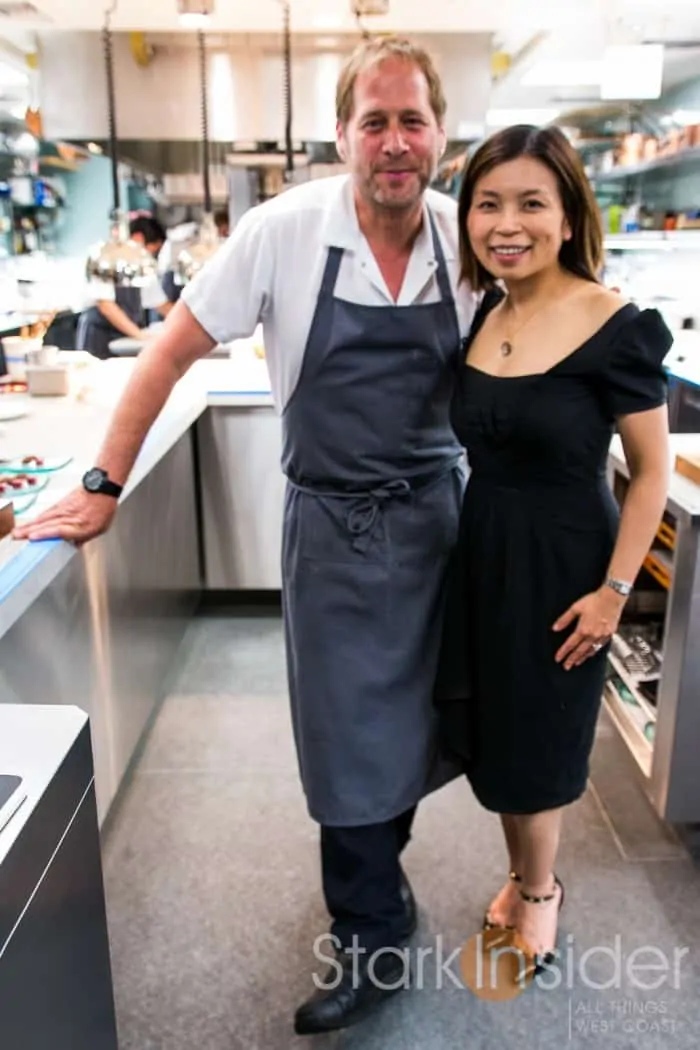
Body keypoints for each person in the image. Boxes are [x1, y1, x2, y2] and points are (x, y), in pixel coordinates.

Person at [16, 37, 477, 1032]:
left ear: (438, 130)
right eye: (373, 121)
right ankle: (364, 932)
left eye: (411, 120)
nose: (393, 143)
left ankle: (381, 886)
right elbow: (169, 352)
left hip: (442, 529)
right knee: (344, 742)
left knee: (427, 726)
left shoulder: (464, 236)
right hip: (335, 539)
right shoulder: (282, 231)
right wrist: (104, 478)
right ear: (342, 134)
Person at [437, 124, 671, 977]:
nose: (508, 223)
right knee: (499, 729)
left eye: (532, 203)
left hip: (566, 561)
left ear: (569, 216)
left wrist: (614, 590)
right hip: (485, 548)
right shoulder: (488, 311)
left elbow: (649, 473)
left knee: (541, 737)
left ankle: (540, 891)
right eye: (488, 204)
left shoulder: (615, 325)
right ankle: (522, 871)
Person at [77, 215, 173, 359]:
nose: (152, 255)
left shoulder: (141, 264)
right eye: (152, 250)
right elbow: (106, 305)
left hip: (125, 336)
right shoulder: (105, 258)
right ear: (139, 238)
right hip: (98, 336)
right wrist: (139, 335)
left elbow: (162, 304)